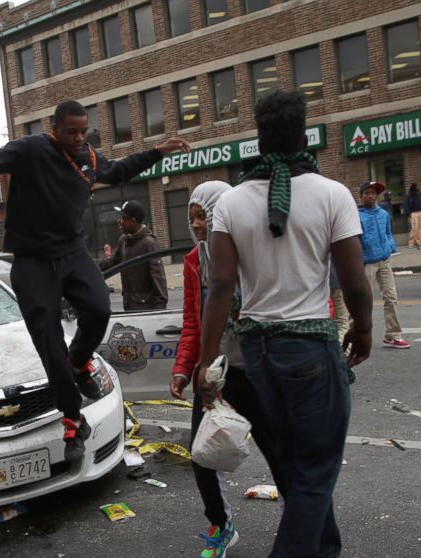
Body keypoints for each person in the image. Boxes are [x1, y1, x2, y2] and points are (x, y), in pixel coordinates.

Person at [0, 100, 191, 460]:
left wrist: (156, 151)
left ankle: (80, 361)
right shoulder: (30, 149)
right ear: (53, 128)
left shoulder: (87, 157)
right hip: (32, 261)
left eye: (82, 132)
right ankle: (72, 421)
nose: (77, 139)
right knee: (48, 339)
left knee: (99, 308)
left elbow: (119, 171)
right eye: (70, 132)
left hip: (72, 252)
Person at [197, 90, 373, 557]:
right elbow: (354, 283)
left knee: (297, 466)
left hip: (258, 356)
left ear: (258, 136)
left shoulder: (231, 203)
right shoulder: (332, 194)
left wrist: (206, 362)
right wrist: (364, 327)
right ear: (303, 133)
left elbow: (219, 287)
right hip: (309, 350)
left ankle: (325, 550)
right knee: (316, 472)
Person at [170, 181, 280, 558]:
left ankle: (300, 520)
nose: (197, 224)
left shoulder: (250, 251)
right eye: (192, 217)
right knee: (202, 454)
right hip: (214, 375)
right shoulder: (193, 262)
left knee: (277, 451)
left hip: (255, 370)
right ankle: (221, 526)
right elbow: (193, 322)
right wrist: (185, 368)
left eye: (204, 215)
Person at [359, 180, 410, 349]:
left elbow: (389, 233)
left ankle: (393, 334)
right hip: (367, 263)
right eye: (367, 193)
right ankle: (353, 335)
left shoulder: (383, 214)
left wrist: (390, 247)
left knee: (391, 298)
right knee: (362, 301)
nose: (371, 196)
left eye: (373, 193)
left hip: (384, 261)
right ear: (361, 196)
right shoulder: (356, 215)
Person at [98, 200, 168, 311]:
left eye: (123, 219)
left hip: (146, 309)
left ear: (133, 221)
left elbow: (159, 280)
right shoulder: (123, 240)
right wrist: (91, 266)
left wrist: (159, 312)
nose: (119, 221)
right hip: (129, 306)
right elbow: (114, 261)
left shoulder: (149, 244)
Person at [402, 182, 421, 249]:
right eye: (417, 186)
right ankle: (412, 242)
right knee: (415, 228)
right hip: (413, 213)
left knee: (420, 229)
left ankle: (419, 242)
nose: (419, 187)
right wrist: (408, 213)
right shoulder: (409, 196)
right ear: (414, 187)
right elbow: (406, 205)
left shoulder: (420, 195)